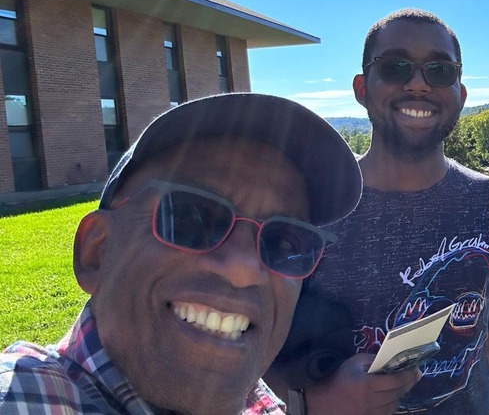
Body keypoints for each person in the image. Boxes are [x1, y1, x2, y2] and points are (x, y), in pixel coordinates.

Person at [0, 93, 365, 414]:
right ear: (96, 252)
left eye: (285, 243)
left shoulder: (260, 403)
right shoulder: (25, 397)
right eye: (191, 218)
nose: (243, 268)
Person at [268, 8, 489, 415]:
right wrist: (312, 400)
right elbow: (252, 348)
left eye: (440, 71)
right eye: (395, 67)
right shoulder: (310, 209)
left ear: (461, 94)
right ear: (362, 88)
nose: (417, 84)